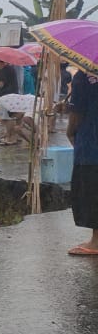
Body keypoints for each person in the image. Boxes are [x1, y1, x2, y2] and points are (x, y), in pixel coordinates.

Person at [67, 68, 98, 255]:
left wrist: (70, 131)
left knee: (92, 191)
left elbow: (76, 113)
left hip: (92, 144)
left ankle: (96, 241)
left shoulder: (83, 76)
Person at [0, 59, 22, 144]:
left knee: (7, 118)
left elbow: (1, 85)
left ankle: (11, 138)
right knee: (8, 117)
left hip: (6, 96)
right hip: (11, 95)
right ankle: (11, 135)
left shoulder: (3, 71)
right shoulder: (10, 69)